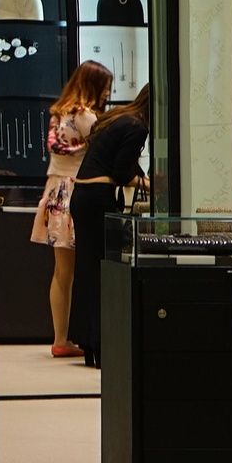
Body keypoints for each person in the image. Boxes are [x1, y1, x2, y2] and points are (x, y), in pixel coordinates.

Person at [32, 62, 114, 358]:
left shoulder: (59, 114)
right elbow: (105, 146)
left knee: (62, 271)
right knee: (86, 269)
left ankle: (60, 337)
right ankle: (76, 336)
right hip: (79, 189)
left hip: (55, 192)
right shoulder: (86, 116)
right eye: (105, 86)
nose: (107, 93)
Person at [67, 81, 150, 370]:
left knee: (87, 270)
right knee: (106, 270)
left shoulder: (118, 117)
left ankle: (88, 341)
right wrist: (154, 186)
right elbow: (121, 172)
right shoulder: (138, 127)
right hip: (99, 198)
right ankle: (100, 340)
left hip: (82, 196)